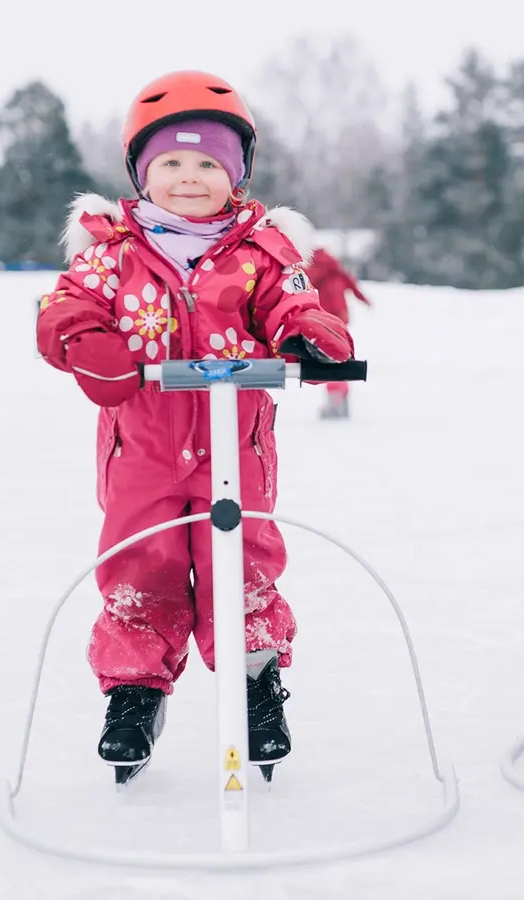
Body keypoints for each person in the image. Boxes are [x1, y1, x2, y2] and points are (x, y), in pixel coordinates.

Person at [36, 70, 354, 781]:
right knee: (139, 567)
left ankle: (256, 685)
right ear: (141, 173)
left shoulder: (264, 252)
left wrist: (311, 336)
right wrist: (86, 342)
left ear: (235, 174)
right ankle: (132, 692)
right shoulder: (108, 251)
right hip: (140, 448)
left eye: (208, 163)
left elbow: (296, 306)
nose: (189, 177)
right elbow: (65, 308)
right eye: (171, 163)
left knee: (239, 568)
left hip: (235, 448)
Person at [304, 245, 372, 419]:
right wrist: (365, 301)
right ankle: (340, 396)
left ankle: (335, 399)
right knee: (340, 356)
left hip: (323, 320)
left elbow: (303, 291)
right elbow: (353, 286)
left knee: (328, 358)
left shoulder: (311, 271)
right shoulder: (337, 270)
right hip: (340, 319)